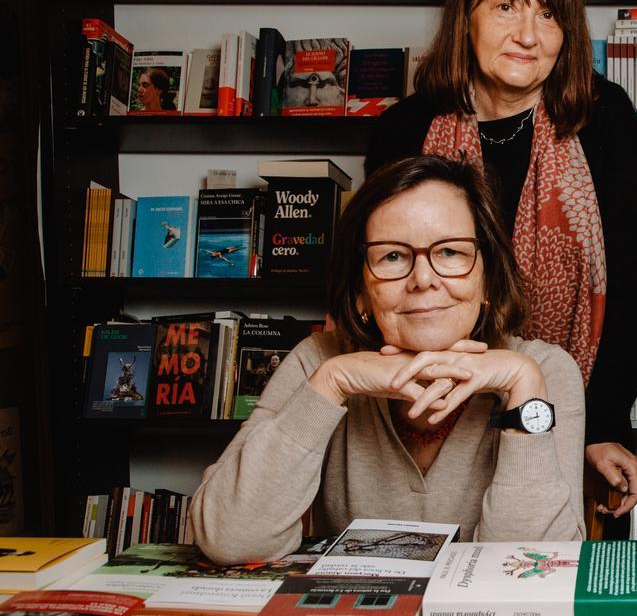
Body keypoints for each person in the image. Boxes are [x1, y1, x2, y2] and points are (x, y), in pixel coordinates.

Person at [365, 0, 637, 523]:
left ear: (566, 35)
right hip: (424, 409)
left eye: (548, 15)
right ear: (466, 17)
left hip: (557, 406)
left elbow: (628, 291)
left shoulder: (605, 119)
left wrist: (600, 428)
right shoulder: (404, 129)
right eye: (506, 8)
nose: (528, 34)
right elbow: (377, 278)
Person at [190, 157, 587, 564]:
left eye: (450, 251)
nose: (423, 279)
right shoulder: (319, 361)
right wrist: (334, 381)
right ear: (360, 291)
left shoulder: (544, 371)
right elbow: (231, 541)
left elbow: (536, 567)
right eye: (393, 257)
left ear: (487, 280)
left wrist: (523, 387)